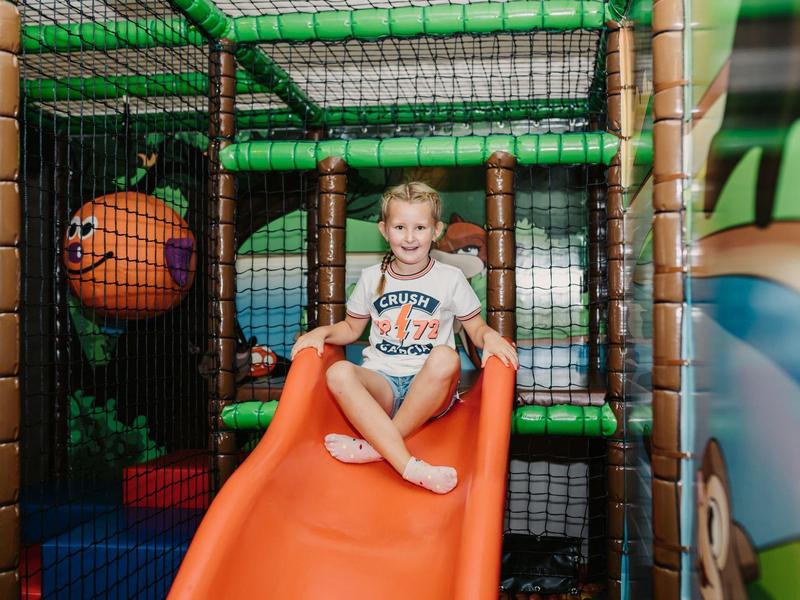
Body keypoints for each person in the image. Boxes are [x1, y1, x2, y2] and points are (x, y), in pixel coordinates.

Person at [291, 182, 518, 494]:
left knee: (445, 357)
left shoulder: (450, 278)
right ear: (385, 231)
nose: (410, 237)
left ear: (436, 230)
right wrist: (323, 331)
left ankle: (381, 451)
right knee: (338, 372)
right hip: (382, 386)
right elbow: (351, 329)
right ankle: (405, 462)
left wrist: (490, 337)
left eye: (420, 227)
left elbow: (475, 328)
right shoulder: (372, 278)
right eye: (400, 227)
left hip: (428, 391)